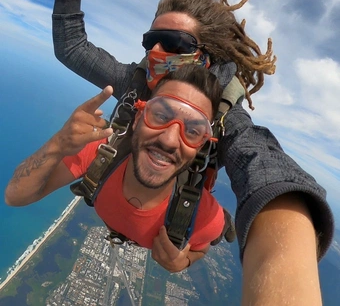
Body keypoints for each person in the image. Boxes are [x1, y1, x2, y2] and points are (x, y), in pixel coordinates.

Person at [51, 0, 334, 303]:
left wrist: (187, 258)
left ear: (204, 56)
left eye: (173, 43)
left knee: (215, 230)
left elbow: (261, 162)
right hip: (127, 187)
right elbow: (72, 48)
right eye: (151, 41)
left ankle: (224, 222)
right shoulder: (136, 83)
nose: (156, 51)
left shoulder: (223, 115)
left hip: (174, 204)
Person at [5, 65, 226, 273]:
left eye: (193, 131)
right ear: (138, 118)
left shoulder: (206, 215)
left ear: (200, 147)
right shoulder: (100, 155)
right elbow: (16, 196)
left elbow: (202, 246)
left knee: (222, 230)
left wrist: (183, 262)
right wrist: (58, 144)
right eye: (160, 116)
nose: (169, 140)